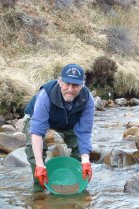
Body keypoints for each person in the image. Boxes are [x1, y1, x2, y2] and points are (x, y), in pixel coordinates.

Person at [23, 63, 94, 191]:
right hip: (38, 117)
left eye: (76, 85)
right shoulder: (45, 96)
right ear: (60, 82)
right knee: (33, 151)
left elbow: (84, 132)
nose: (71, 89)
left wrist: (85, 160)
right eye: (67, 84)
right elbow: (37, 133)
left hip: (69, 121)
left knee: (81, 150)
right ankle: (39, 188)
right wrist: (40, 165)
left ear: (82, 85)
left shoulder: (87, 100)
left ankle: (74, 183)